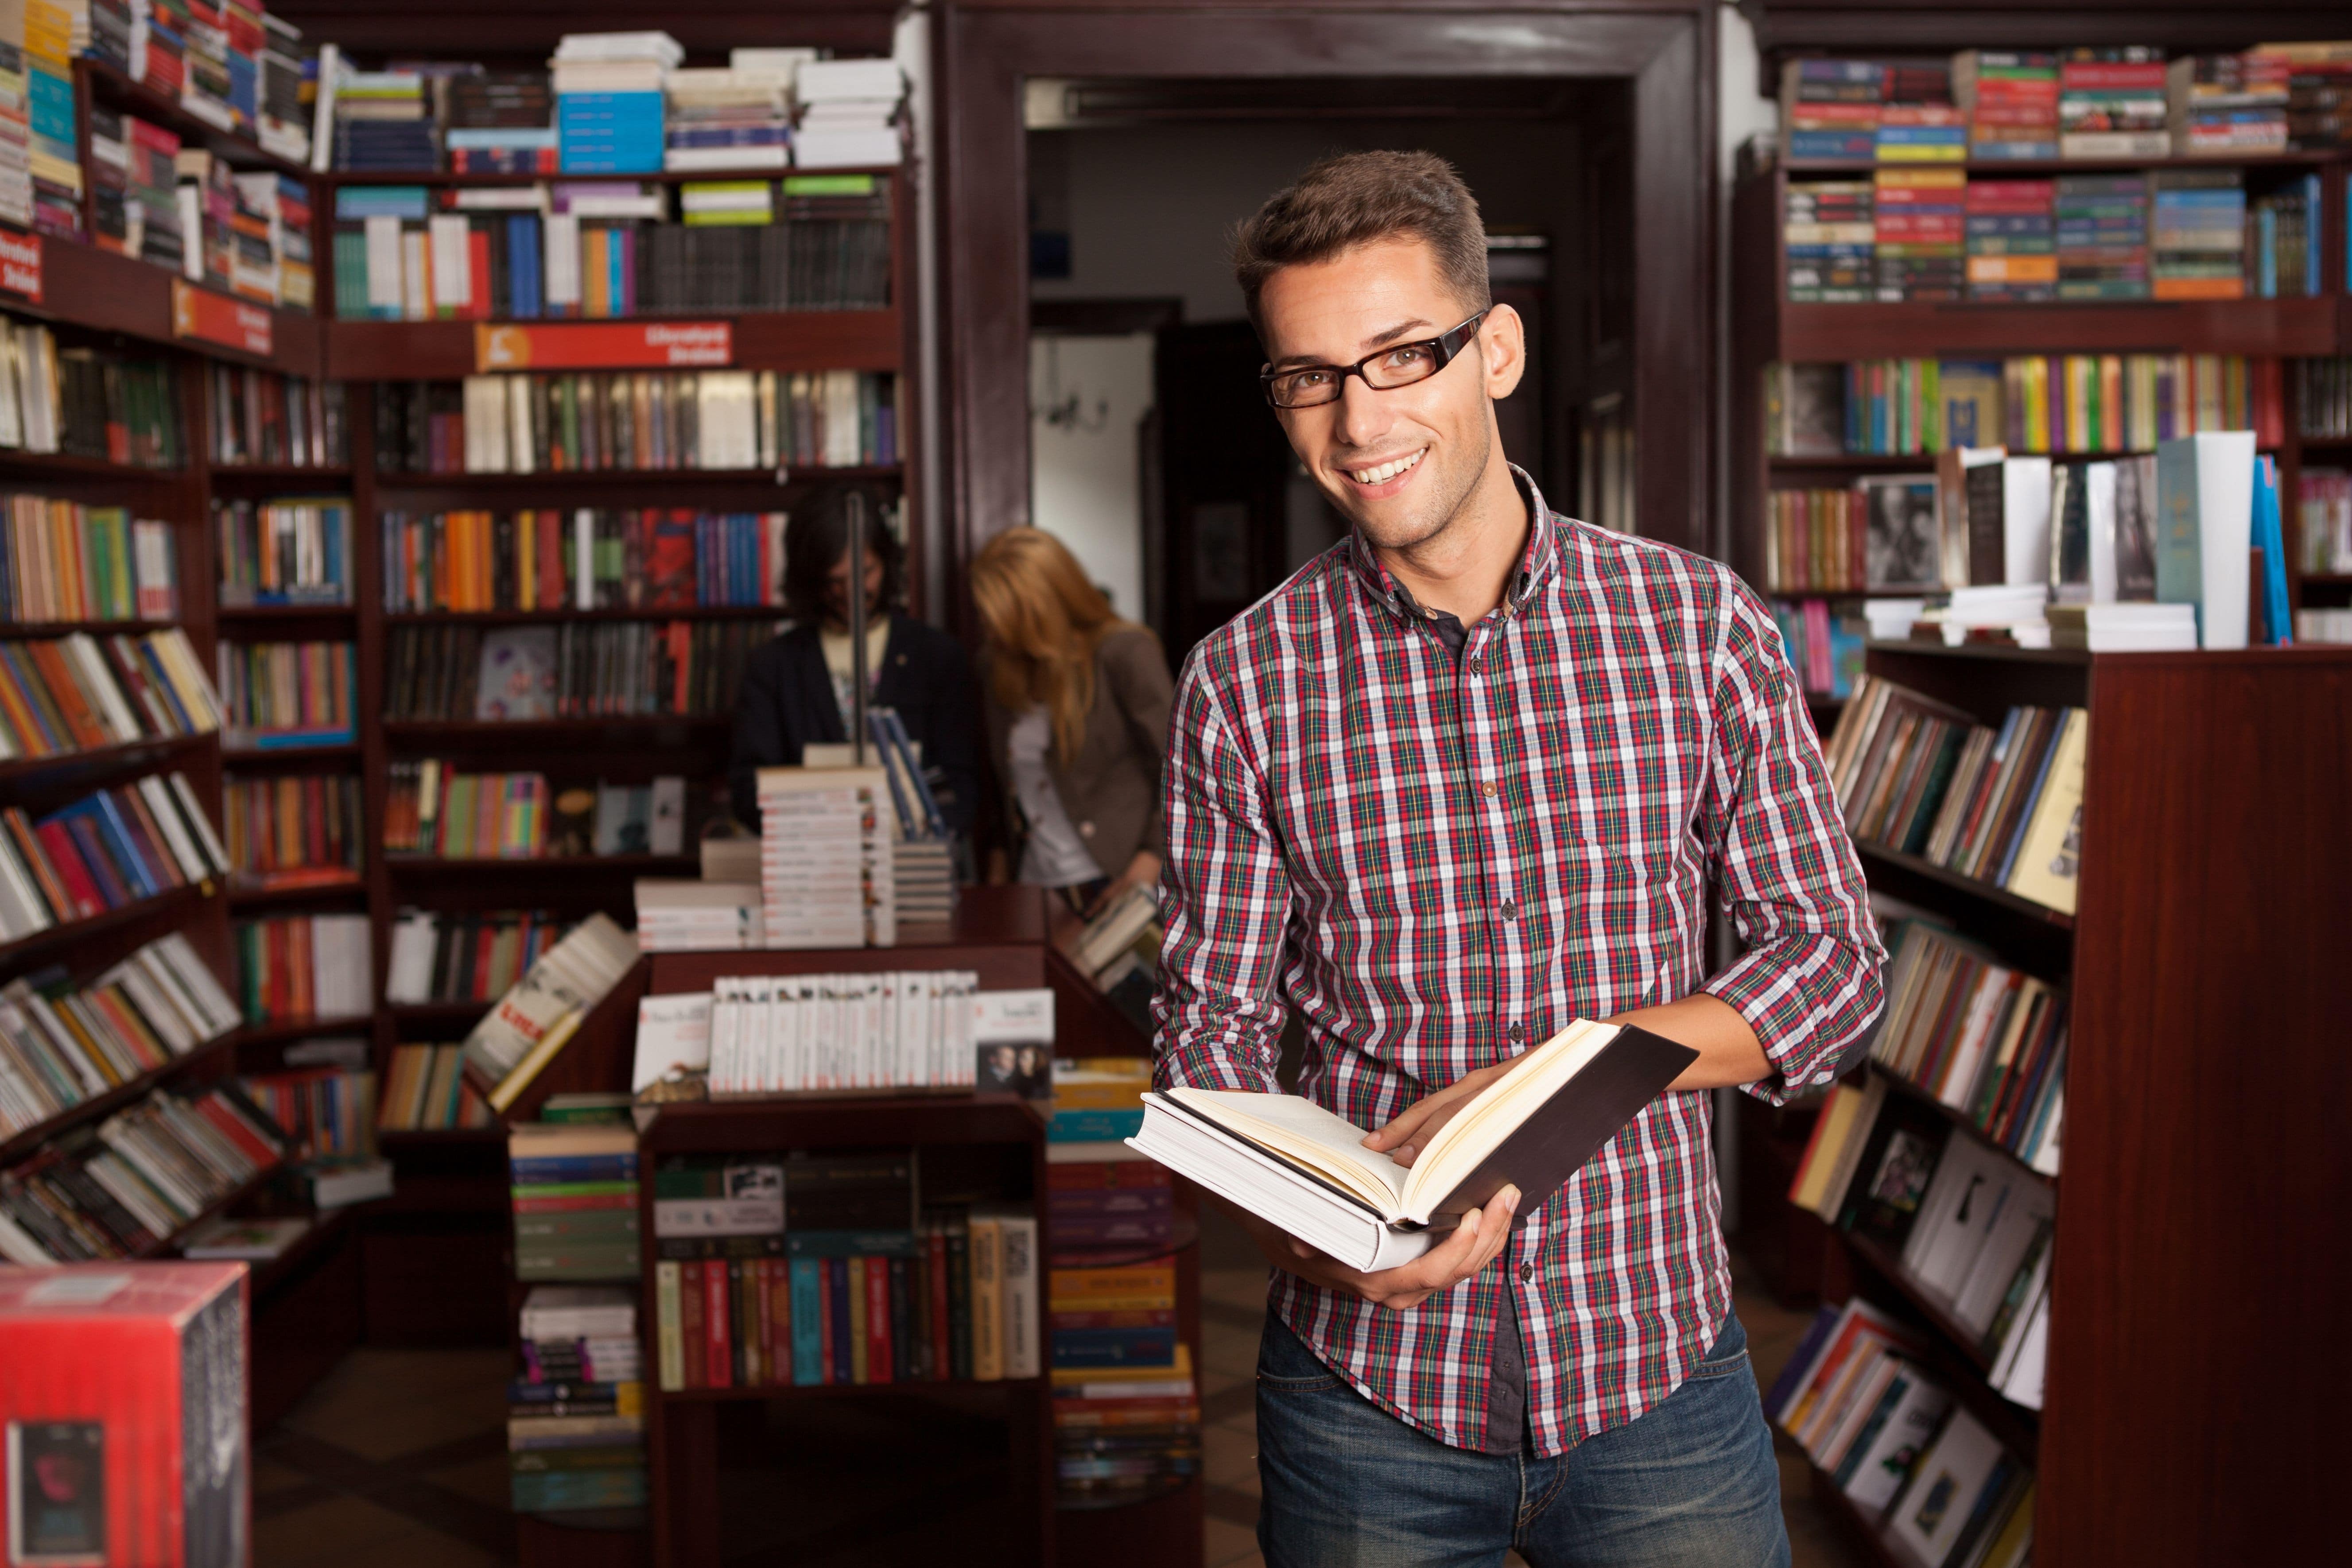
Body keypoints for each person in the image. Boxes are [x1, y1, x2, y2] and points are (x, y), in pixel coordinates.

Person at [1154, 151, 1885, 1567]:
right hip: (1367, 1386)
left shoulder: (1699, 625)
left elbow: (1835, 962)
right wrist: (1304, 1235)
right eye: (1310, 376)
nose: (1359, 420)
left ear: (1495, 349)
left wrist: (1593, 1061)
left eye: (1401, 356)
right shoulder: (1239, 684)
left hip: (1655, 1365)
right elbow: (1214, 1038)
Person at [728, 486, 980, 838]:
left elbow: (961, 779)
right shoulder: (774, 666)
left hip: (914, 860)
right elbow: (748, 787)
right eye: (835, 581)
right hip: (810, 862)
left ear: (886, 563)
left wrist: (927, 826)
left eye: (866, 573)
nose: (851, 593)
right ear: (811, 578)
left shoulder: (936, 656)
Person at [970, 526, 1172, 917]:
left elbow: (1185, 774)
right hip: (1036, 887)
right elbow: (1001, 787)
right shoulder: (995, 665)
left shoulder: (1125, 654)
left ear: (1041, 609)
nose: (992, 631)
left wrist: (1145, 870)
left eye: (1004, 619)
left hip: (1120, 882)